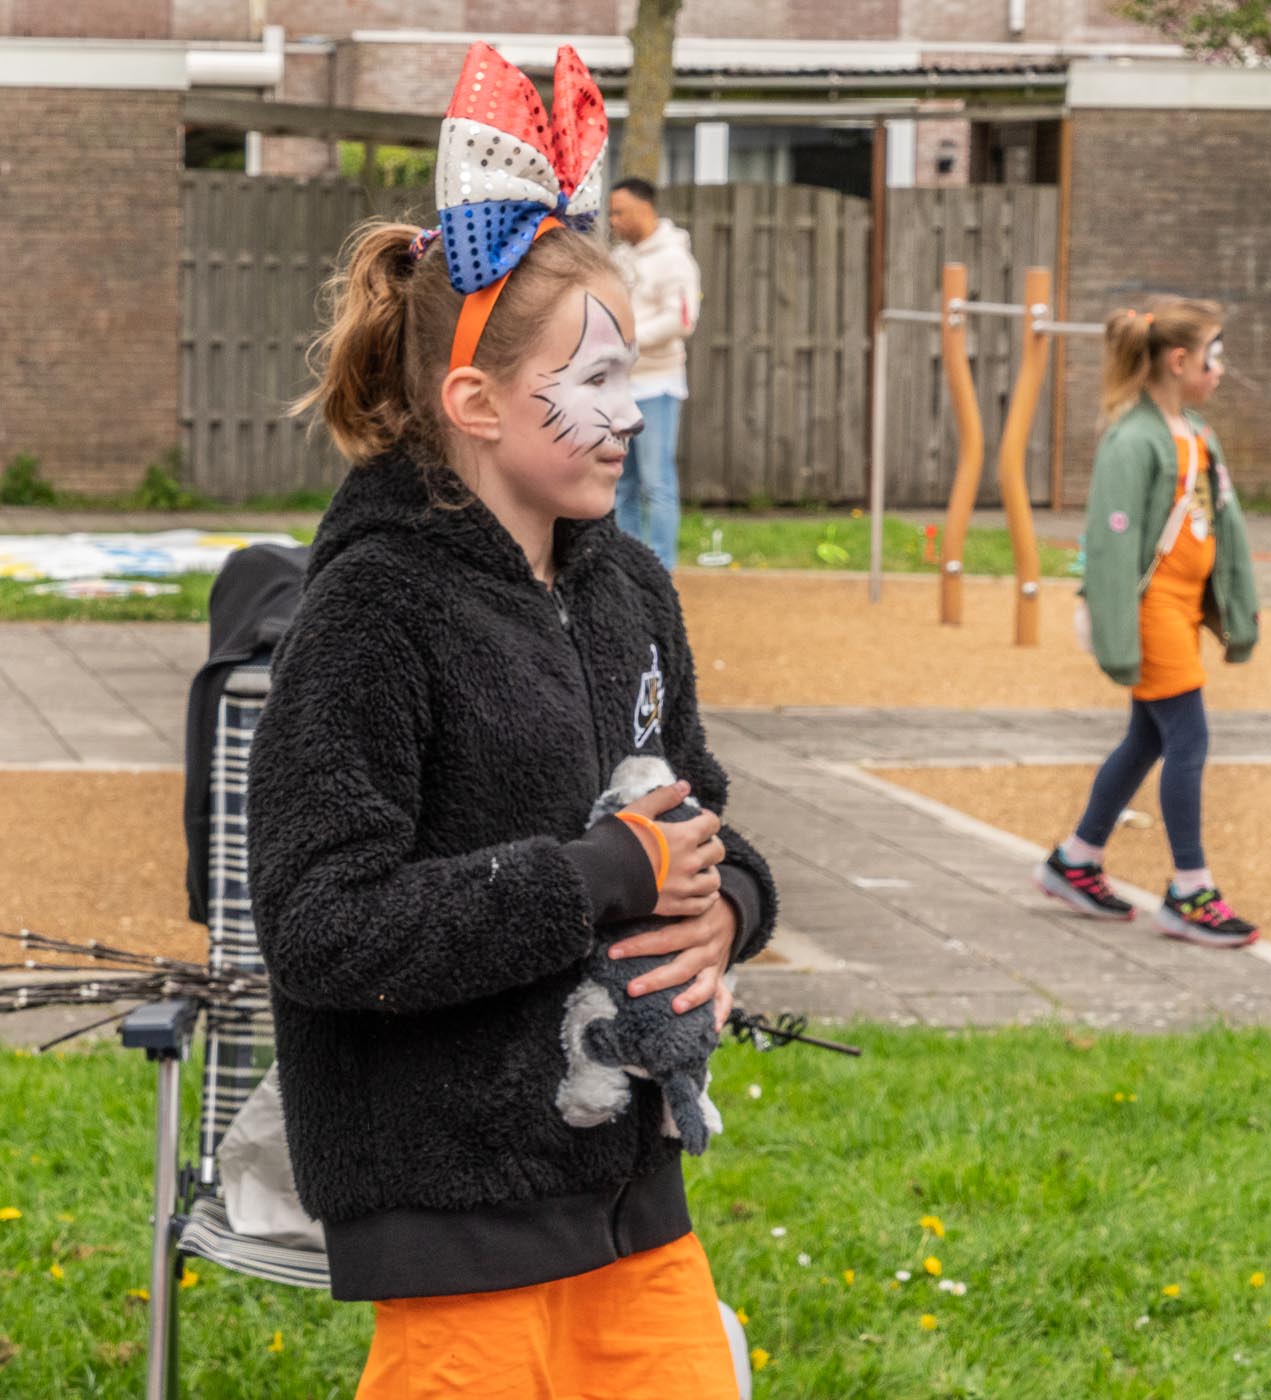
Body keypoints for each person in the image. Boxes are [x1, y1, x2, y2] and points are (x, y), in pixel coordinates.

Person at [247, 43, 775, 1398]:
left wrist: (730, 910)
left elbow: (698, 810)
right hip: (456, 1217)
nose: (626, 417)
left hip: (633, 1199)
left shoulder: (628, 588)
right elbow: (321, 925)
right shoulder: (371, 614)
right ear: (474, 403)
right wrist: (598, 877)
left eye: (629, 378)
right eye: (591, 381)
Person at [1035, 298, 1261, 948]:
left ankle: (1076, 859)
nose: (1221, 368)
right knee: (1188, 737)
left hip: (1182, 608)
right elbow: (1111, 547)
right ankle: (1190, 891)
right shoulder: (1132, 440)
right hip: (1152, 608)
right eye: (1214, 356)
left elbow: (1222, 524)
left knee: (1145, 739)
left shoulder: (1196, 432)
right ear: (1179, 361)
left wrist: (1236, 606)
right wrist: (1115, 632)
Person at [607, 176, 702, 570]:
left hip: (657, 386)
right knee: (621, 482)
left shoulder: (675, 259)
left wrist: (629, 340)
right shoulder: (620, 259)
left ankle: (661, 569)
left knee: (656, 482)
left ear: (643, 210)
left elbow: (682, 320)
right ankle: (628, 569)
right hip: (619, 387)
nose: (612, 221)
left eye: (619, 213)